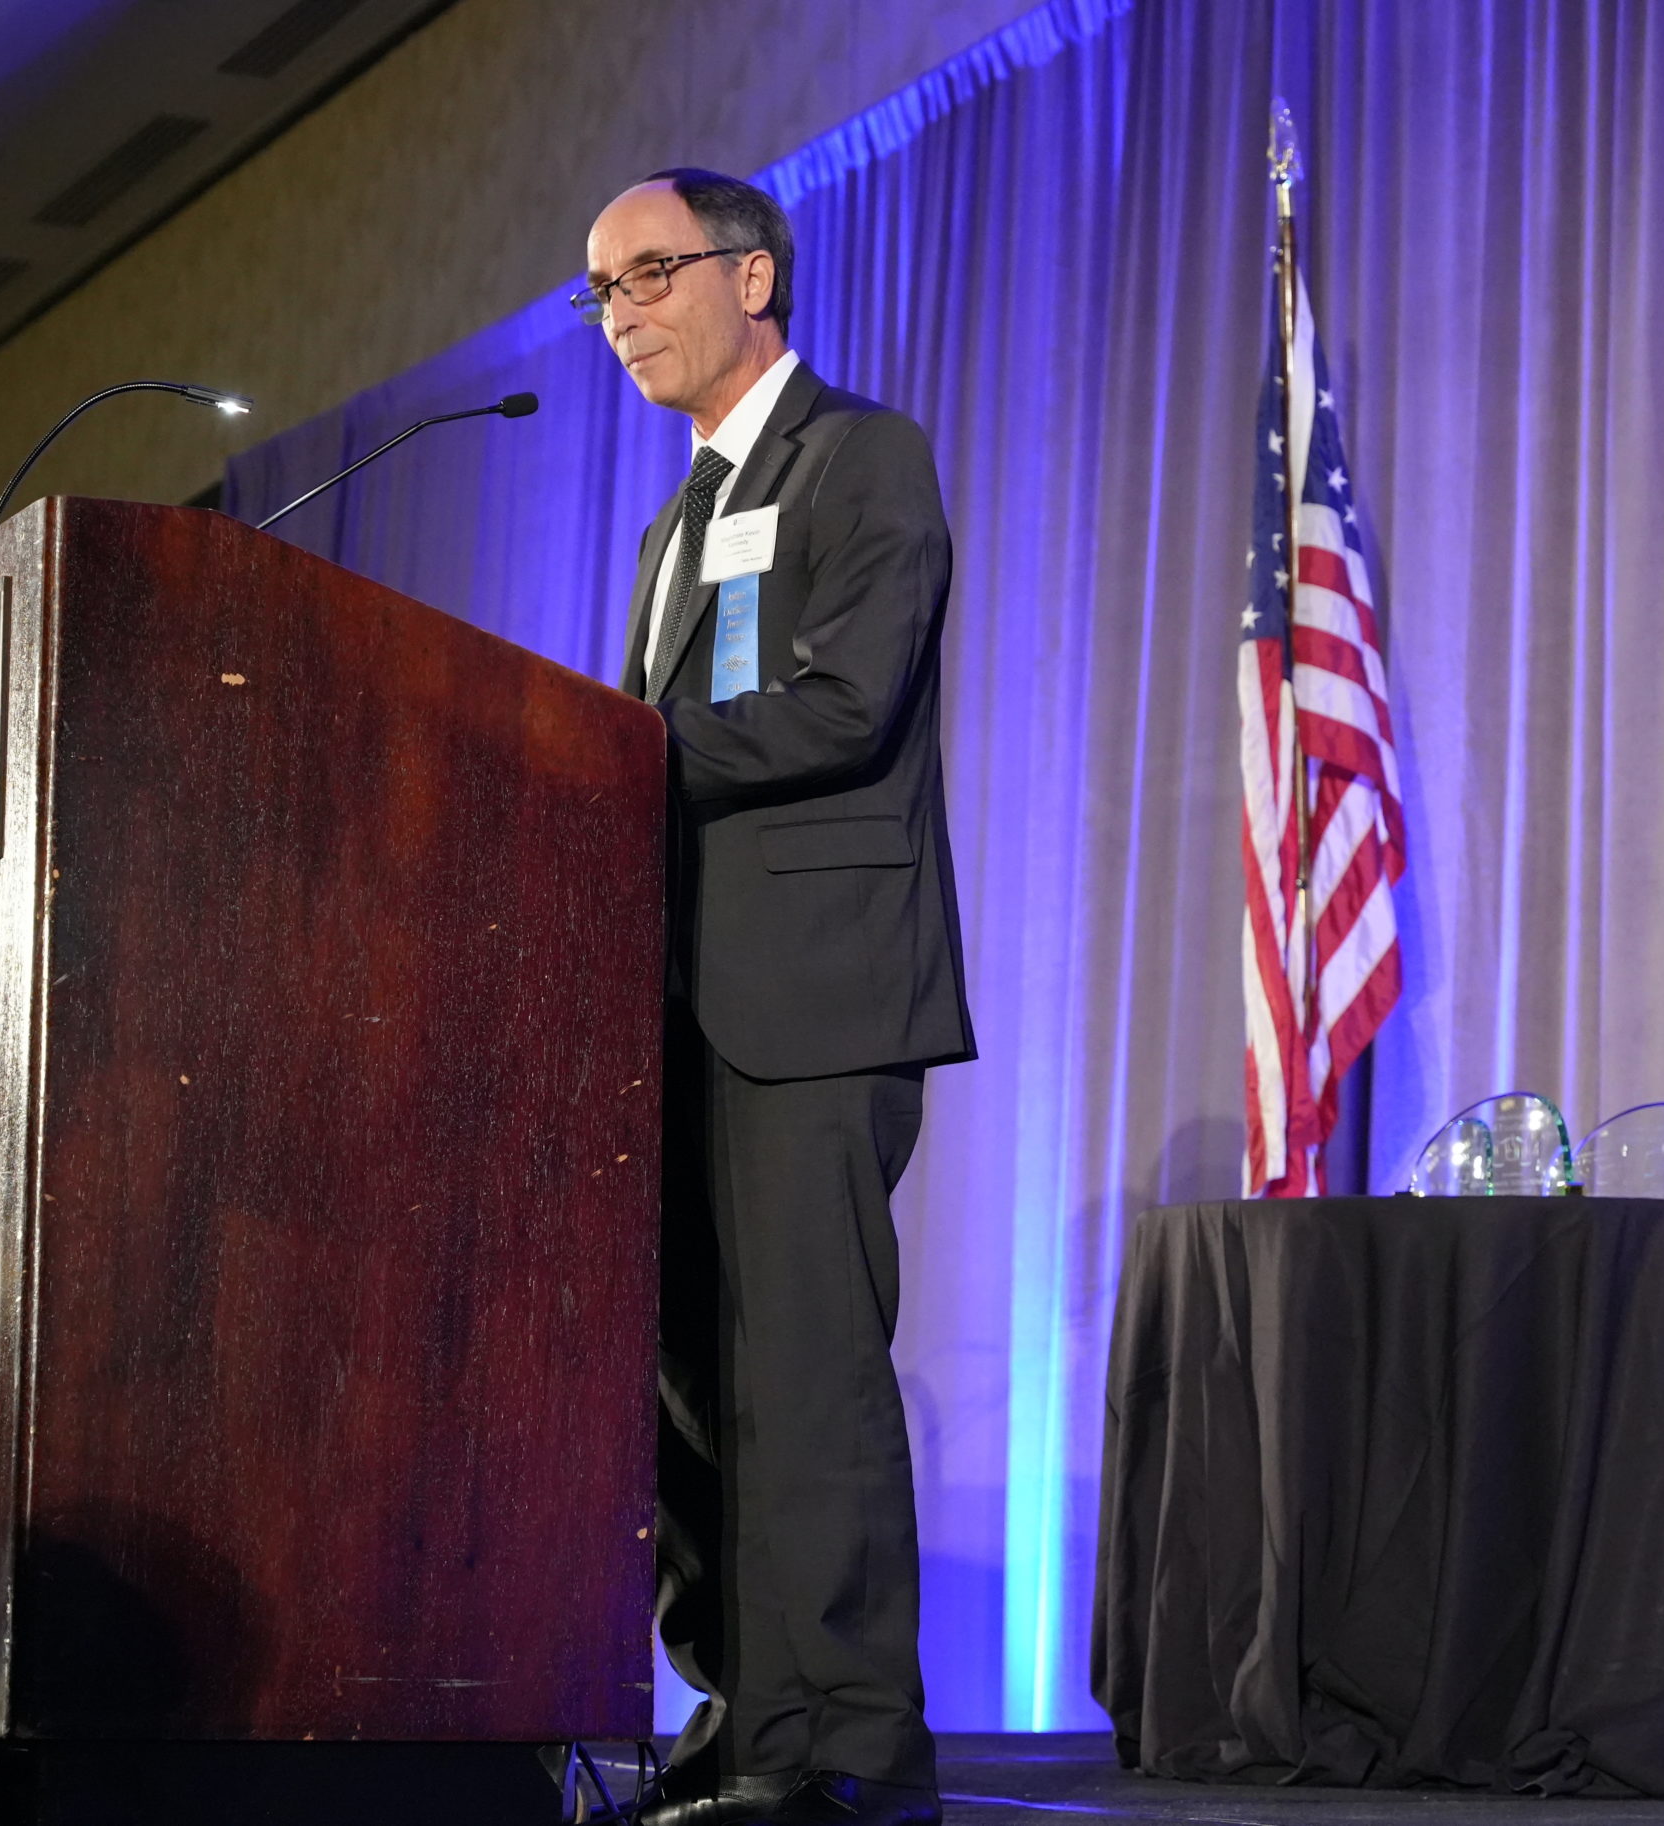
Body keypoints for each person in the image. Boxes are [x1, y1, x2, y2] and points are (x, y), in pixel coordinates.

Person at [577, 169, 975, 1826]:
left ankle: (853, 1747)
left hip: (815, 996)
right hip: (672, 1008)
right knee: (692, 1398)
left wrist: (604, 749)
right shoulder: (674, 520)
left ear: (754, 275)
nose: (621, 313)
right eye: (600, 289)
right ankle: (749, 1721)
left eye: (650, 273)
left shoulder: (858, 456)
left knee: (805, 1378)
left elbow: (840, 707)